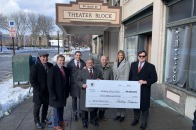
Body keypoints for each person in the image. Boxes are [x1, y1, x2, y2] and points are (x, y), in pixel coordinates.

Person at [129, 50, 157, 130]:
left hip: (145, 90)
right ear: (138, 56)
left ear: (146, 57)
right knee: (135, 105)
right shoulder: (133, 64)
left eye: (143, 56)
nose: (141, 57)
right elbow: (131, 76)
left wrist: (145, 82)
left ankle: (144, 122)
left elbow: (154, 79)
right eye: (140, 56)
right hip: (134, 90)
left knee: (145, 107)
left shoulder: (151, 66)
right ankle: (136, 119)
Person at [77, 58, 103, 129]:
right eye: (88, 62)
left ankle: (93, 120)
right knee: (84, 109)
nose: (90, 64)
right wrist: (82, 85)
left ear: (93, 63)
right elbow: (78, 81)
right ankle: (84, 122)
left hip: (94, 94)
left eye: (91, 62)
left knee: (93, 108)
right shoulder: (82, 71)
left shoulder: (97, 71)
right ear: (86, 63)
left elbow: (102, 79)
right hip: (84, 93)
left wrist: (100, 80)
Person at [30, 52, 53, 129]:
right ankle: (37, 121)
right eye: (43, 57)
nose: (45, 58)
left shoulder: (50, 65)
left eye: (46, 57)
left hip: (47, 91)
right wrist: (38, 89)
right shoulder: (35, 67)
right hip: (39, 91)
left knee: (46, 106)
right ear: (39, 57)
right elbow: (32, 80)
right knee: (37, 107)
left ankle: (43, 118)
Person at [47, 55, 70, 130]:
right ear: (57, 61)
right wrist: (52, 95)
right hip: (56, 94)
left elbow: (67, 82)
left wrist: (67, 92)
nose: (62, 62)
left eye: (63, 60)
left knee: (61, 108)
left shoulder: (66, 69)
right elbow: (50, 84)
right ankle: (56, 124)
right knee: (56, 109)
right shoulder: (52, 70)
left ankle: (60, 121)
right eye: (60, 60)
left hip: (63, 94)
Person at [67, 51, 86, 121]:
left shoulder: (83, 63)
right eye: (77, 55)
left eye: (79, 55)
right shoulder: (70, 64)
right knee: (74, 99)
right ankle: (75, 113)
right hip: (73, 84)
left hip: (81, 84)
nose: (78, 56)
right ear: (74, 55)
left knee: (81, 99)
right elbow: (67, 75)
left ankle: (81, 112)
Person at [113, 50, 130, 122]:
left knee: (122, 100)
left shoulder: (126, 64)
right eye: (119, 55)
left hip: (123, 83)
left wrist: (125, 86)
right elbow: (114, 73)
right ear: (117, 55)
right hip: (116, 83)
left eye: (122, 55)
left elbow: (127, 75)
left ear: (123, 56)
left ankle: (122, 115)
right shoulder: (115, 63)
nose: (120, 56)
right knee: (117, 100)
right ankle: (118, 114)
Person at [95, 55, 113, 120]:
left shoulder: (110, 69)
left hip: (106, 88)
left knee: (104, 103)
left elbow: (111, 79)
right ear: (100, 60)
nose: (104, 61)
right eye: (103, 60)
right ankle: (95, 116)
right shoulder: (96, 67)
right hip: (97, 88)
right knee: (97, 102)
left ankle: (102, 116)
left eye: (105, 60)